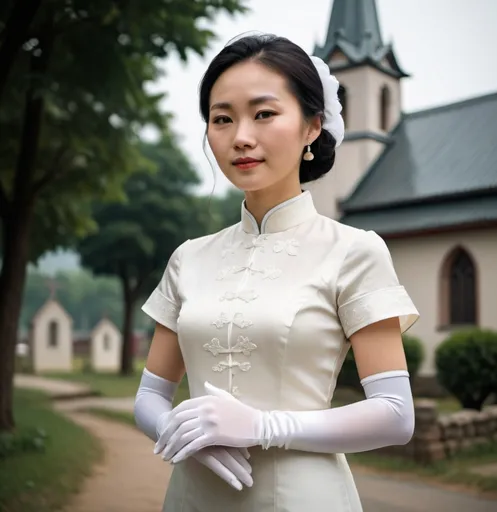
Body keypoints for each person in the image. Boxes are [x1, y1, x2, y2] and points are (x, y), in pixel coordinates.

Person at [134, 33, 420, 511]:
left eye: (264, 114)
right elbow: (149, 394)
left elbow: (395, 415)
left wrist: (264, 428)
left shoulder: (354, 251)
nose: (241, 136)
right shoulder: (188, 258)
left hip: (302, 497)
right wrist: (177, 430)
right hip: (190, 496)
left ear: (312, 125)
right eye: (222, 118)